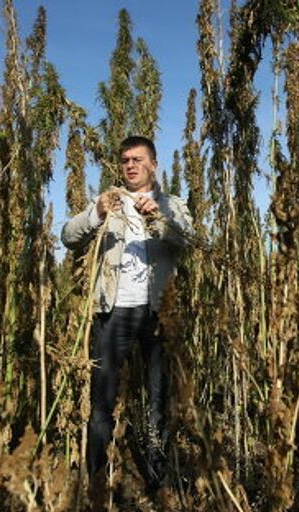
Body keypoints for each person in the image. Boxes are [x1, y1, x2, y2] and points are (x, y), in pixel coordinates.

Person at [61, 135, 193, 493]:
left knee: (157, 397)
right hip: (114, 313)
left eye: (137, 159)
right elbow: (68, 236)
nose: (130, 165)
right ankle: (97, 480)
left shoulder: (172, 204)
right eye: (125, 161)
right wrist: (97, 213)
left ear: (153, 163)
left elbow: (189, 240)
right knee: (102, 399)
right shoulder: (109, 202)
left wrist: (158, 219)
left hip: (156, 313)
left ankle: (155, 479)